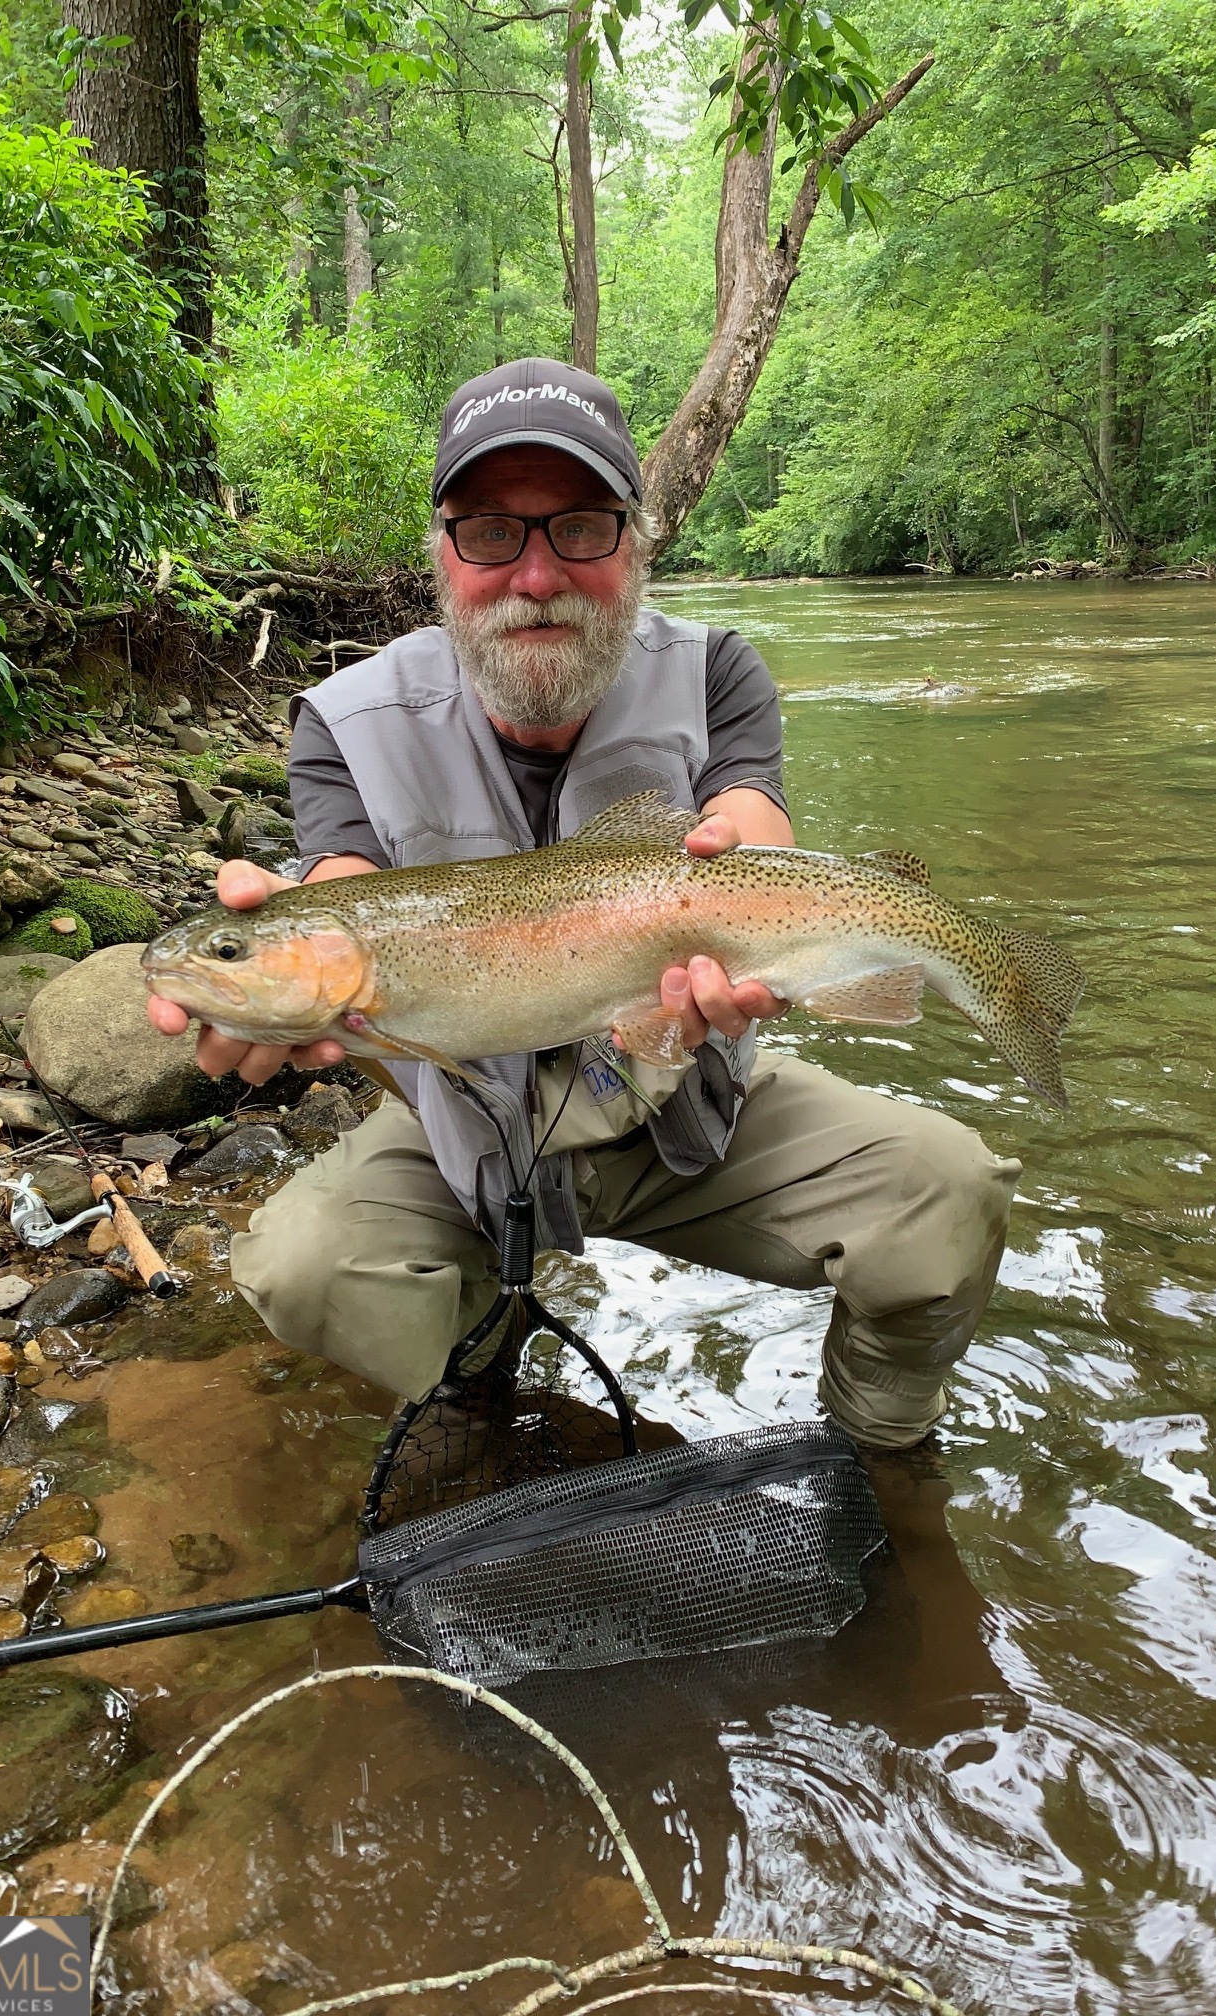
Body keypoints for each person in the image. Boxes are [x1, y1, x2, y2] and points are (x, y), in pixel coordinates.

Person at [146, 358, 1020, 1451]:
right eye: (491, 533)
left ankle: (883, 1453)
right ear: (442, 558)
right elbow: (346, 898)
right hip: (468, 1140)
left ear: (637, 543)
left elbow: (749, 827)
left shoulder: (720, 671)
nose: (536, 576)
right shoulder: (341, 721)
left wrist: (745, 941)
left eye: (581, 529)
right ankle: (475, 1391)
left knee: (949, 1190)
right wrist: (272, 974)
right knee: (300, 1262)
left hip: (692, 1111)